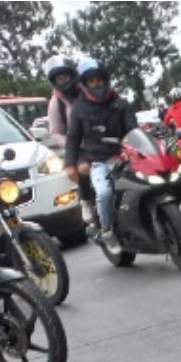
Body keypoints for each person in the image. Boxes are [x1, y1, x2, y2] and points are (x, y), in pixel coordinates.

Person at [64, 59, 138, 253]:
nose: (97, 84)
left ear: (106, 80)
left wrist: (136, 143)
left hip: (125, 156)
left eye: (99, 80)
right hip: (99, 160)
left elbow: (133, 129)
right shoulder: (79, 109)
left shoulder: (121, 104)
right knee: (104, 192)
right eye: (92, 81)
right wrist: (69, 164)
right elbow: (72, 137)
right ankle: (106, 231)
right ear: (85, 84)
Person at [43, 54, 97, 225]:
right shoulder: (55, 103)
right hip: (79, 146)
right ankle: (86, 201)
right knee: (83, 169)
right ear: (54, 81)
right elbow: (55, 132)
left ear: (72, 74)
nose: (63, 81)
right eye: (59, 78)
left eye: (65, 76)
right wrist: (70, 143)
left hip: (101, 137)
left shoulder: (88, 89)